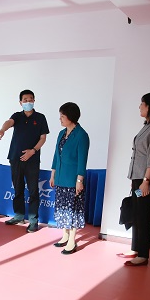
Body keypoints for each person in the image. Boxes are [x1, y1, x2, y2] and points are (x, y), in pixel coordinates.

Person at [119, 92, 150, 266]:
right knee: (136, 214)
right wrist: (136, 180)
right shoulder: (147, 126)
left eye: (143, 104)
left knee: (144, 216)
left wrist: (146, 181)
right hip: (139, 178)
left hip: (148, 179)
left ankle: (143, 255)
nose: (140, 106)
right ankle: (135, 248)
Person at [0, 89, 49, 233]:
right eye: (25, 100)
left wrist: (32, 151)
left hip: (32, 160)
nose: (28, 102)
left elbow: (43, 138)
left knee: (33, 191)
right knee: (18, 188)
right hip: (15, 158)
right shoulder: (17, 116)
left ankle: (33, 220)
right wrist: (2, 130)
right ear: (20, 102)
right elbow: (9, 122)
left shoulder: (40, 118)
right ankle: (18, 216)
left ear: (34, 100)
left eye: (30, 99)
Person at [49, 102, 90, 254]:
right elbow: (56, 156)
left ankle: (72, 240)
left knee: (72, 210)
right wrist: (53, 174)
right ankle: (65, 235)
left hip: (72, 180)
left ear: (71, 117)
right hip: (60, 177)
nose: (60, 119)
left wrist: (79, 181)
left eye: (62, 116)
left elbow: (82, 161)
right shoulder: (61, 133)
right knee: (62, 208)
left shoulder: (82, 135)